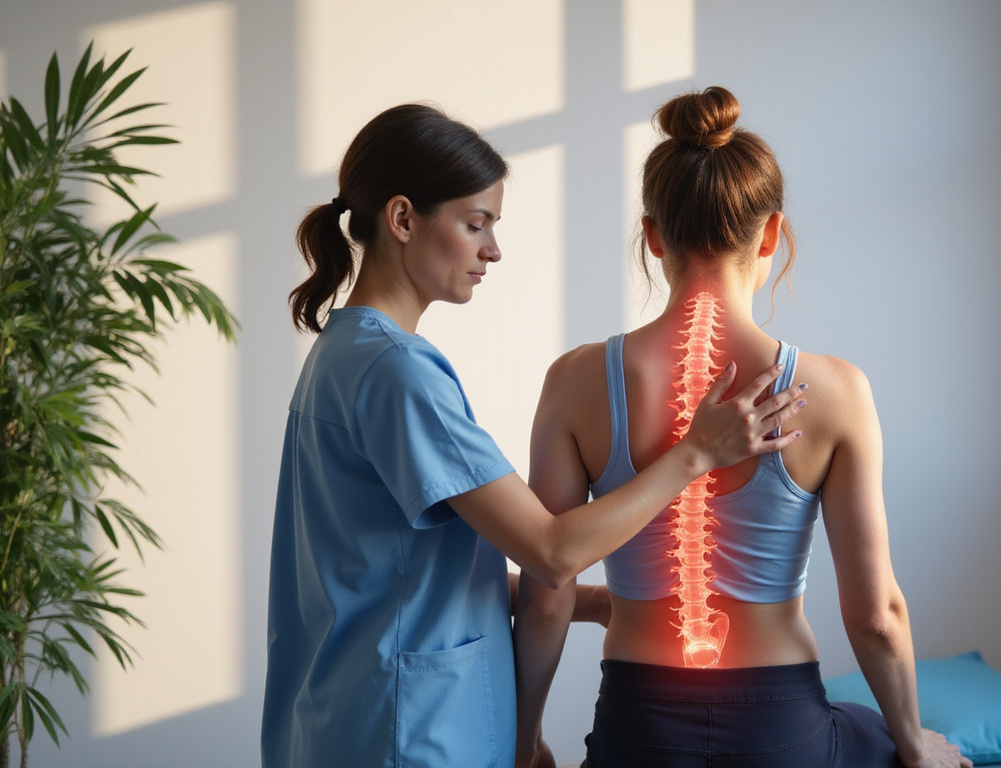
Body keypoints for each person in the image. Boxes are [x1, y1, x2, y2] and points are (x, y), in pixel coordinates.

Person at [261, 102, 807, 768]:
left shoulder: (344, 354)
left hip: (345, 719)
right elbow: (551, 549)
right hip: (412, 734)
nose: (492, 249)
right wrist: (695, 453)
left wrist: (600, 603)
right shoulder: (397, 373)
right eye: (474, 224)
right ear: (403, 219)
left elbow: (409, 572)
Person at [514, 87, 971, 768]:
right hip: (780, 728)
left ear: (653, 235)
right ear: (771, 233)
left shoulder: (576, 381)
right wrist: (914, 745)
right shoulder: (838, 392)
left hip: (639, 728)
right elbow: (876, 616)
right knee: (884, 739)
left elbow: (544, 600)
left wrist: (525, 744)